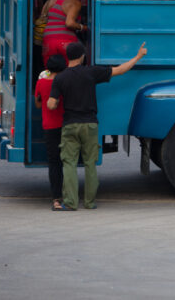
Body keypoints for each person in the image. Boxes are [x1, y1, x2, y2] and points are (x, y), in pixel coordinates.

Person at [47, 41, 147, 211]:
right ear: (81, 56)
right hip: (90, 124)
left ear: (68, 57)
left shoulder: (60, 78)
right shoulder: (91, 72)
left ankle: (70, 203)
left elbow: (51, 104)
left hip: (70, 125)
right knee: (89, 163)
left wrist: (52, 103)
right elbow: (120, 70)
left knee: (69, 163)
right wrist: (138, 56)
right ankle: (89, 202)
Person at [34, 54, 67, 211]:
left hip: (49, 127)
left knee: (54, 163)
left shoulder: (41, 83)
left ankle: (56, 199)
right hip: (67, 126)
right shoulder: (66, 82)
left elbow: (39, 104)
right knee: (68, 161)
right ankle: (70, 196)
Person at [40, 0, 86, 66]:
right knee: (70, 71)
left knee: (50, 69)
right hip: (66, 41)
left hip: (48, 40)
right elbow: (69, 23)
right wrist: (83, 27)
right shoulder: (75, 3)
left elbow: (43, 15)